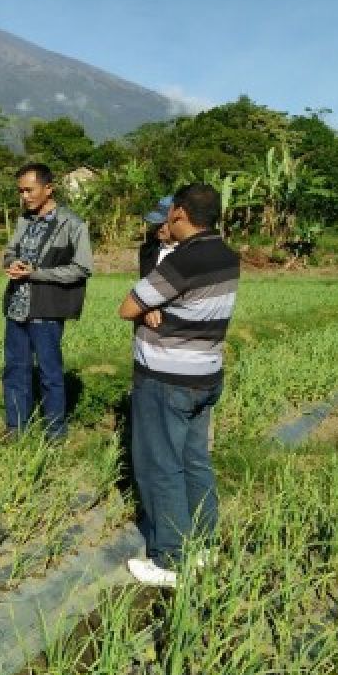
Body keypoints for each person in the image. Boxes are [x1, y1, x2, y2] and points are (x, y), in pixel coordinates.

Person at [118, 183, 239, 588]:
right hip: (205, 375)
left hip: (166, 379)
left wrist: (150, 306)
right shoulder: (226, 254)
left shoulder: (183, 260)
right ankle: (203, 545)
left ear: (180, 213)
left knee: (160, 466)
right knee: (194, 461)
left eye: (171, 210)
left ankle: (169, 561)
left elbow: (128, 307)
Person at [1, 162, 93, 441]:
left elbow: (82, 268)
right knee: (15, 369)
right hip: (17, 308)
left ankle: (55, 432)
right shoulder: (23, 220)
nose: (24, 197)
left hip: (47, 310)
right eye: (20, 191)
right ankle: (16, 427)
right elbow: (9, 250)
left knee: (50, 373)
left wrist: (37, 273)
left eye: (29, 190)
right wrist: (12, 262)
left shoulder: (72, 224)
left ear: (48, 189)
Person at [138, 195, 177, 278]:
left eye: (164, 223)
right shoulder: (147, 250)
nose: (160, 228)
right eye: (157, 223)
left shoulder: (191, 251)